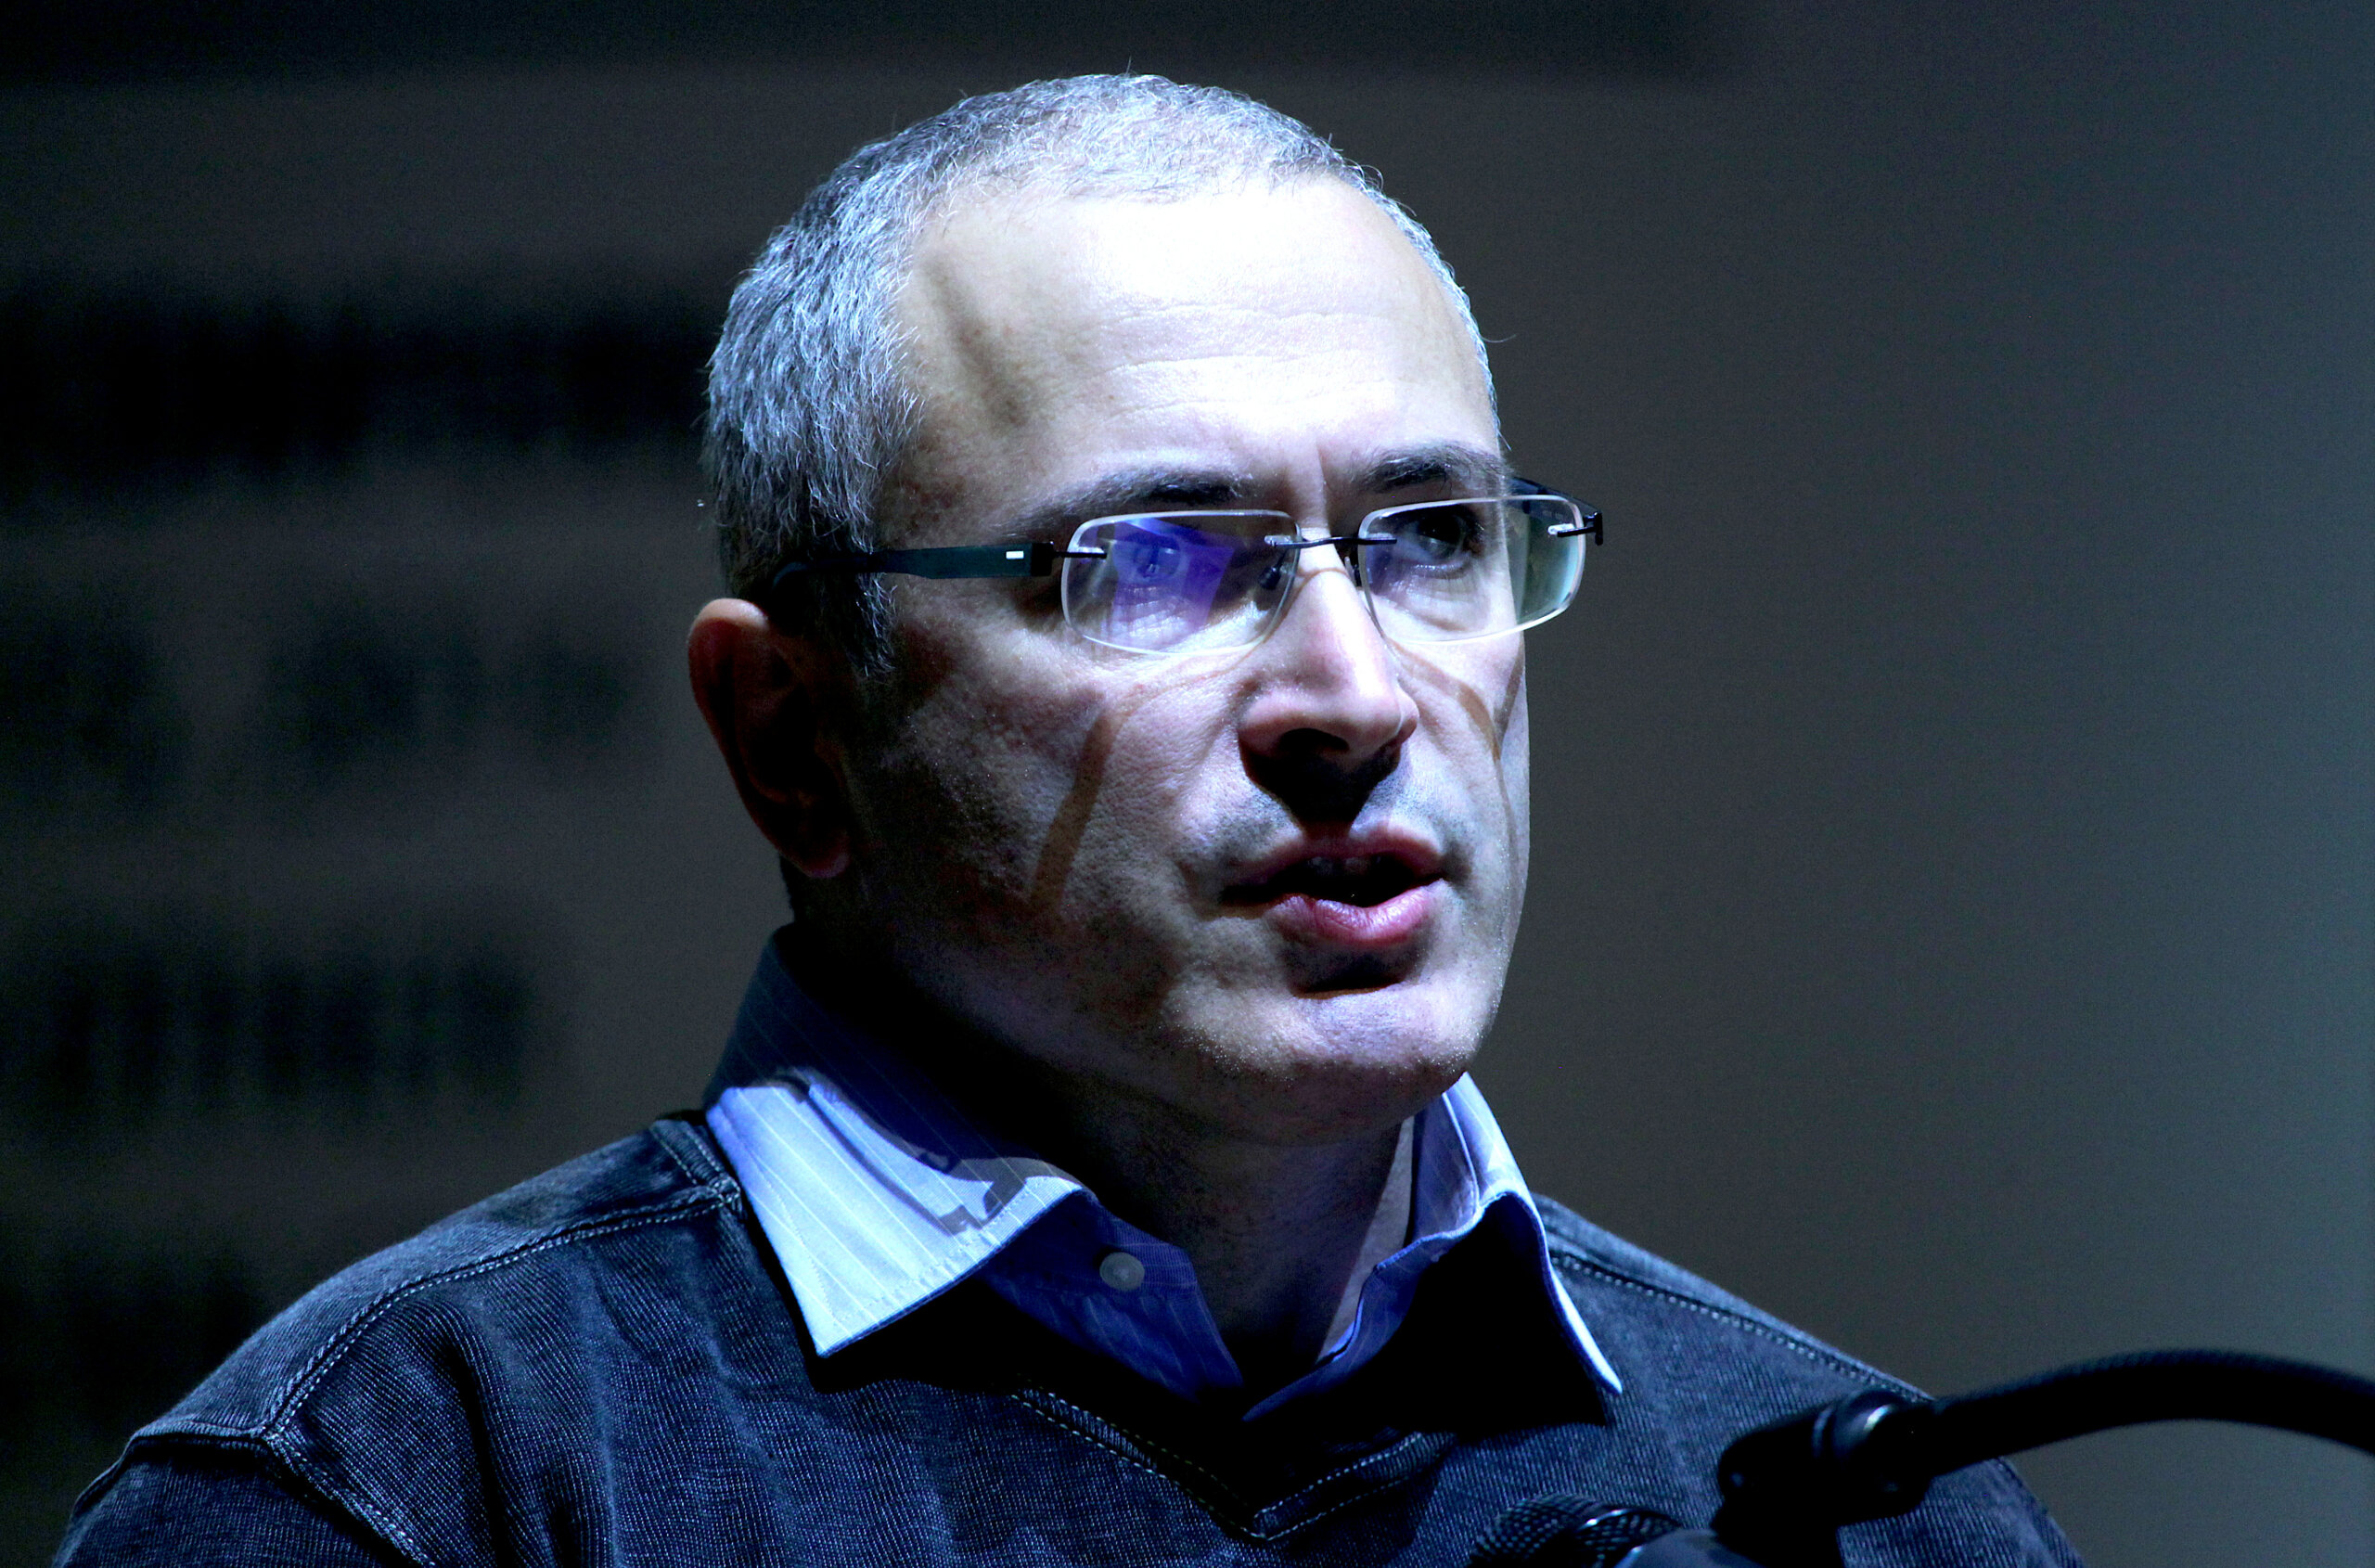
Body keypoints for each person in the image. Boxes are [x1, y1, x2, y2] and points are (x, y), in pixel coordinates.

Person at [56, 76, 2079, 1567]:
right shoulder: (404, 1491)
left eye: (1430, 540)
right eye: (1156, 566)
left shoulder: (1862, 1515)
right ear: (792, 737)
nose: (1355, 696)